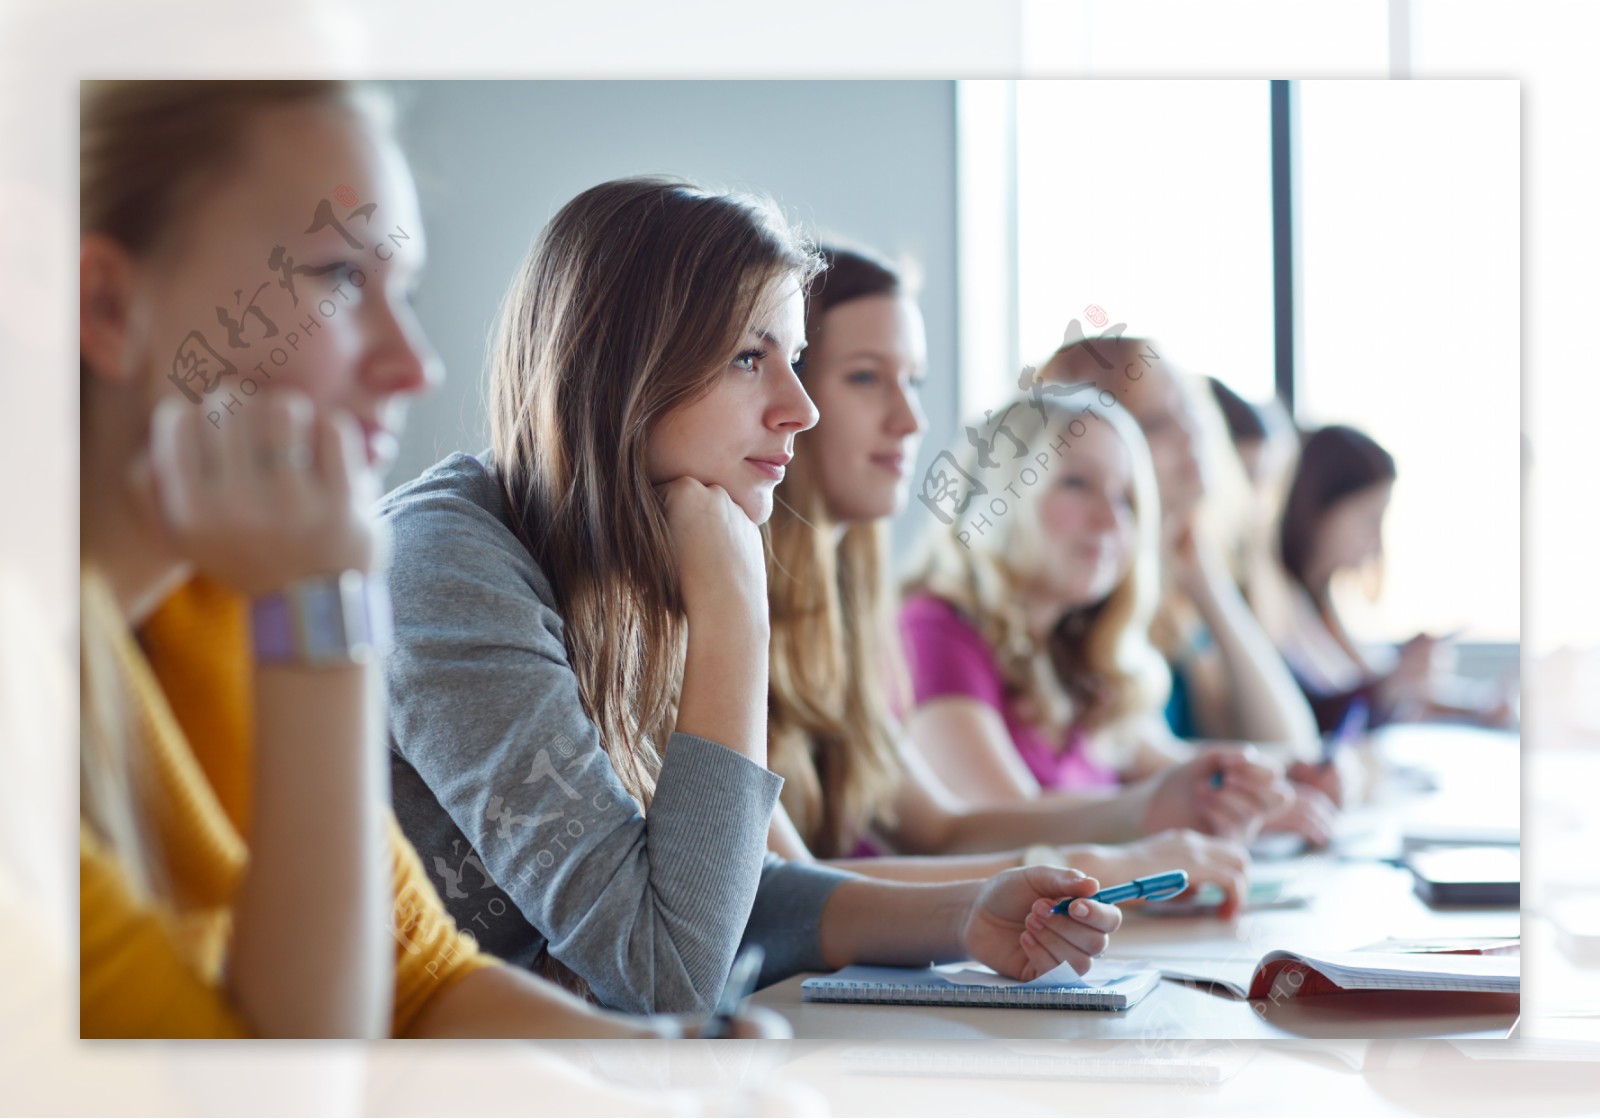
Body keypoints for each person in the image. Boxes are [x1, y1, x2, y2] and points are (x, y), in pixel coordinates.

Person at [78, 80, 769, 1040]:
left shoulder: (211, 605)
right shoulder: (306, 589)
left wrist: (675, 1070)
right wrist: (323, 612)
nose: (416, 365)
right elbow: (296, 1087)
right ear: (107, 306)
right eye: (335, 279)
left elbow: (424, 982)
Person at [381, 177, 1122, 1018]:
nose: (798, 408)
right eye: (747, 357)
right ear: (622, 367)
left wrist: (965, 913)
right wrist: (736, 612)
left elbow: (711, 892)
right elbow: (666, 970)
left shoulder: (626, 562)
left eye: (795, 360)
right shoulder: (445, 570)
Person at [762, 246, 1267, 912]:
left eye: (913, 381)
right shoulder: (922, 624)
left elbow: (941, 827)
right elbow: (787, 891)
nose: (912, 420)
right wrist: (1113, 856)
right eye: (864, 377)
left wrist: (1148, 810)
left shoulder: (851, 608)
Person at [1039, 338, 1339, 838]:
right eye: (1155, 423)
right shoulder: (1084, 606)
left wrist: (1208, 585)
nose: (1190, 433)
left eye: (1186, 409)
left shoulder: (1173, 590)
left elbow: (1287, 738)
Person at [1252, 424, 1516, 733]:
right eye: (1368, 518)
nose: (1376, 539)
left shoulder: (1323, 604)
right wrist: (1389, 686)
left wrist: (1475, 708)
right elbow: (1313, 716)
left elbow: (1365, 687)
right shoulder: (1275, 601)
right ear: (1320, 510)